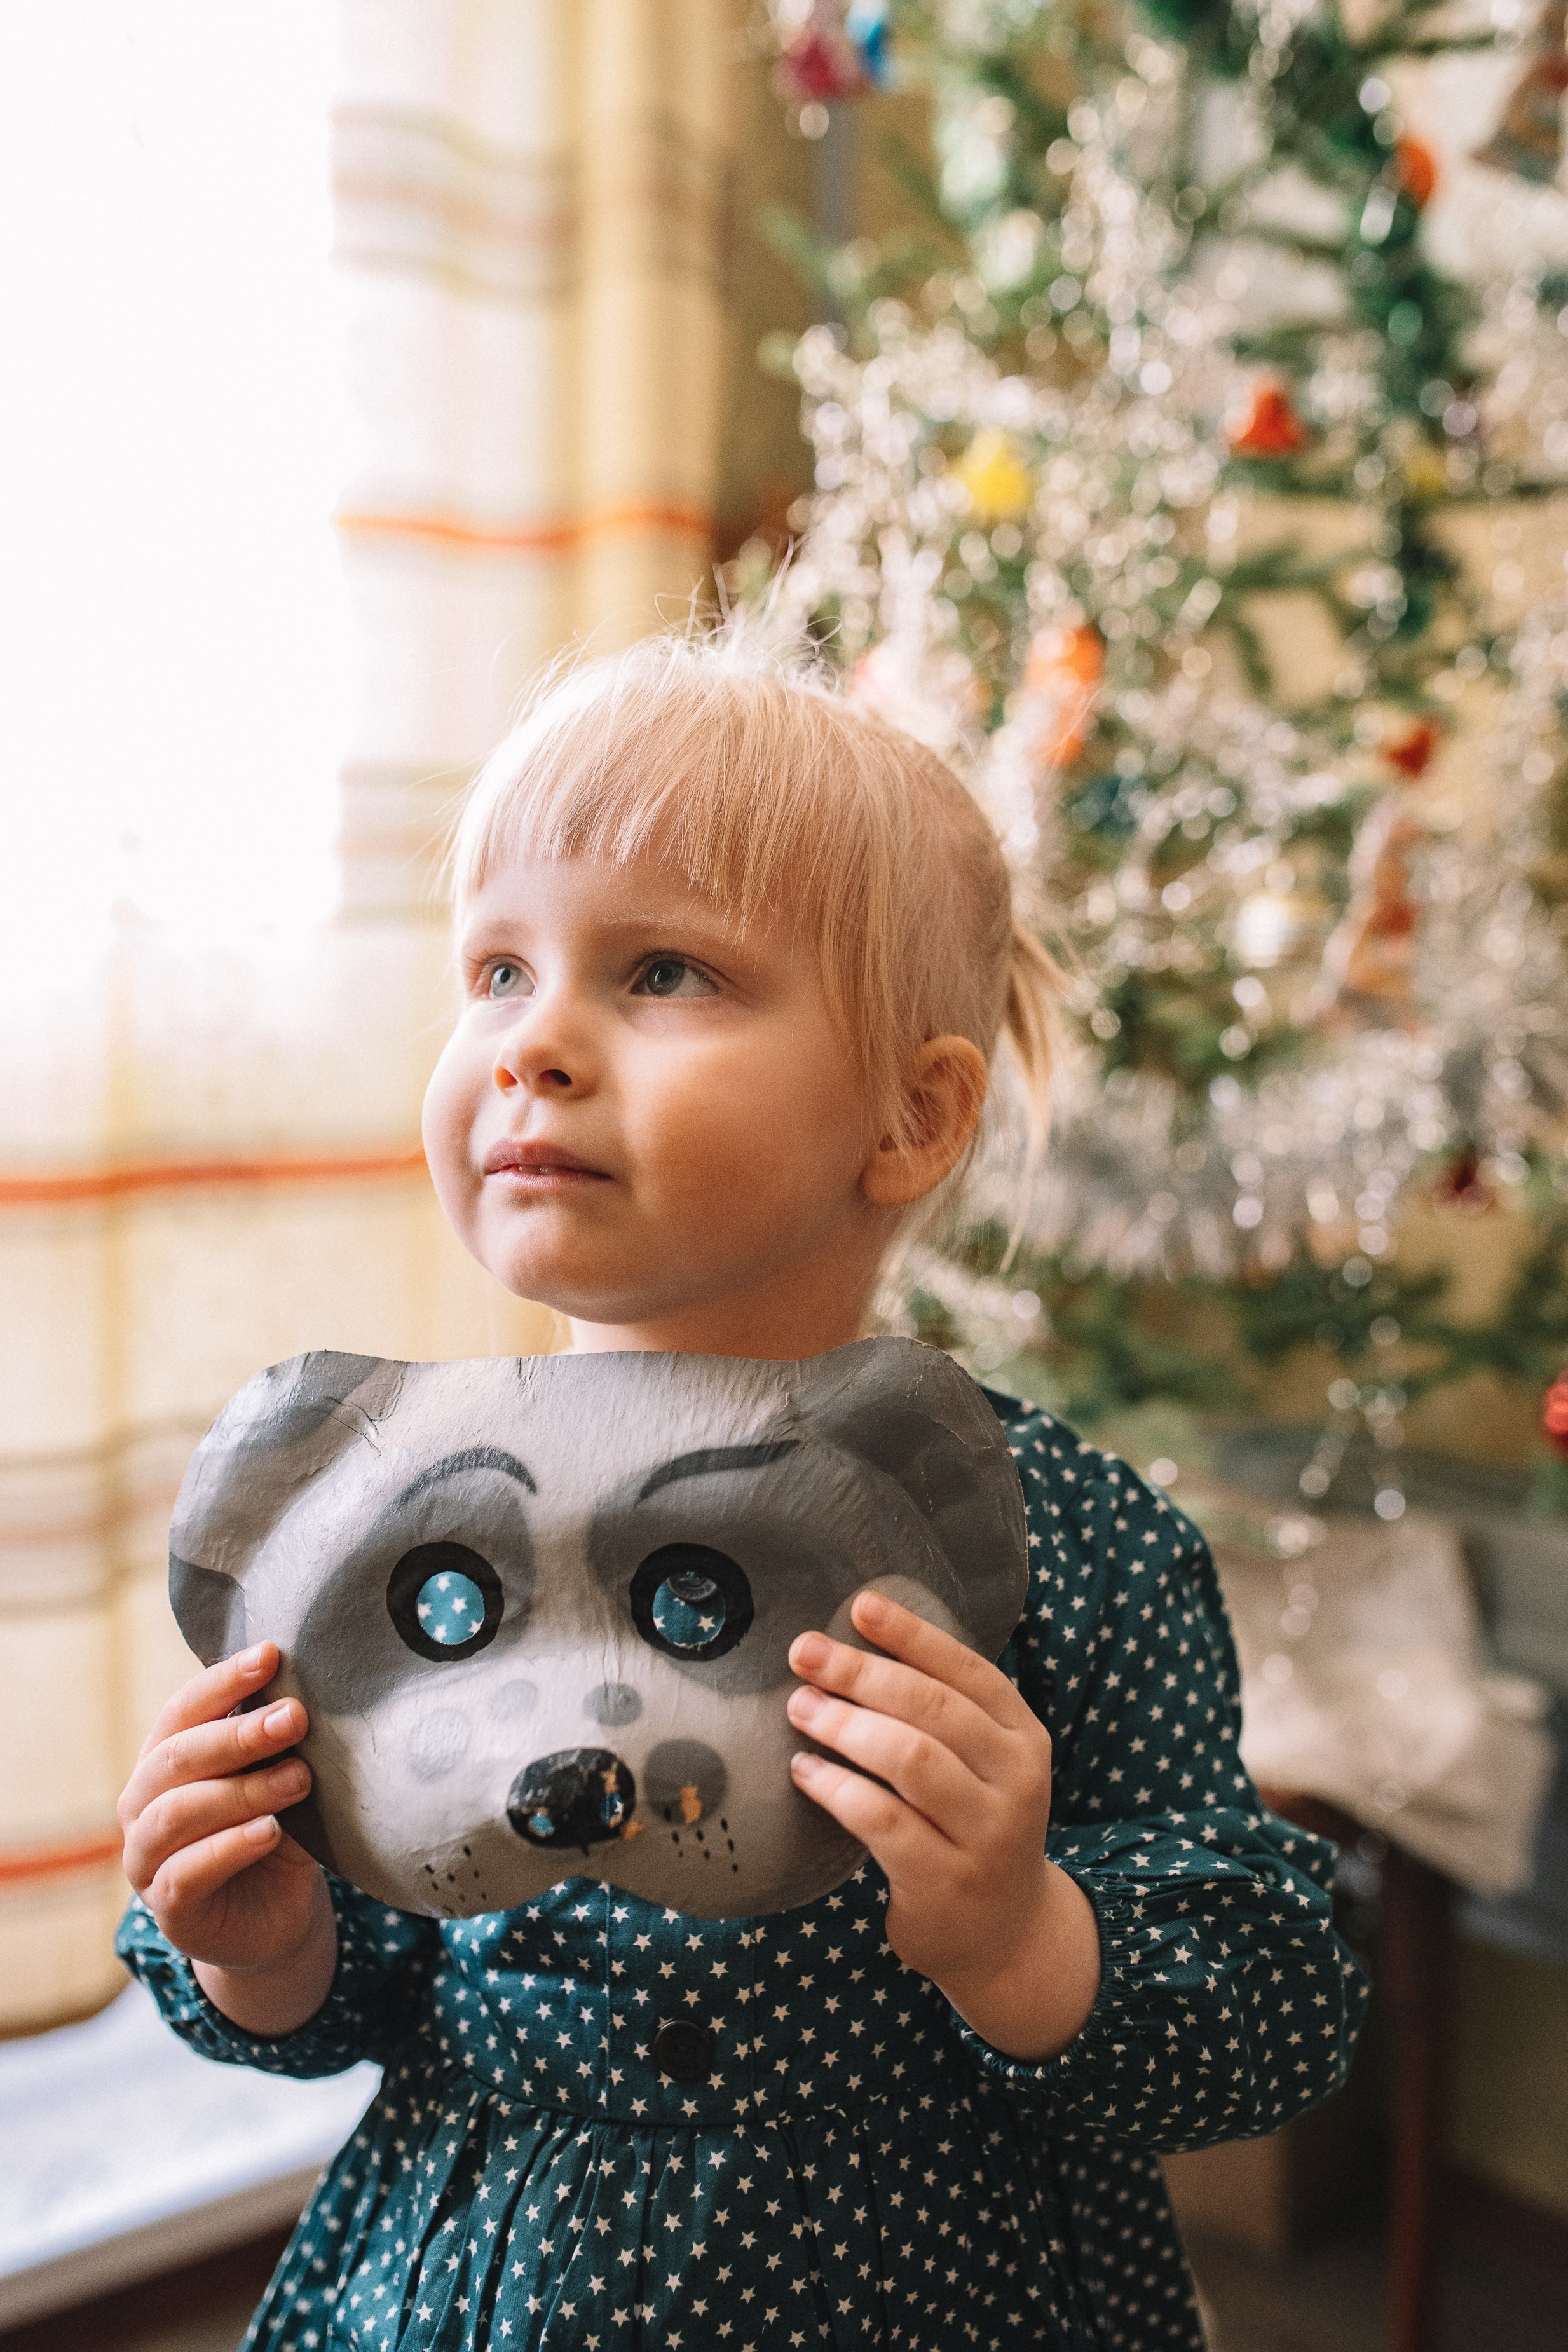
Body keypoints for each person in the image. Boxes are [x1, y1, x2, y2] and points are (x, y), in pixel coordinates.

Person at [117, 631, 1367, 2351]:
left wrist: (1022, 1925)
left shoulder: (1066, 1539)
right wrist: (266, 1941)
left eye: (662, 973)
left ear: (911, 1116)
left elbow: (1271, 1998)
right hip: (490, 2280)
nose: (531, 1038)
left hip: (945, 2284)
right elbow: (355, 1994)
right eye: (493, 969)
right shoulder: (399, 1529)